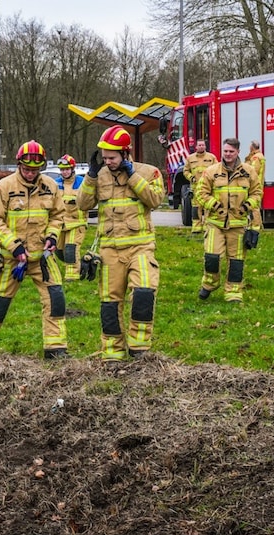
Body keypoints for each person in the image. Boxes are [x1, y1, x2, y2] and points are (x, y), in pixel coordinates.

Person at [0, 140, 68, 361]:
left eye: (35, 169)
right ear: (18, 165)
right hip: (11, 258)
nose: (31, 173)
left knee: (55, 299)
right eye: (26, 169)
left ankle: (56, 349)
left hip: (42, 257)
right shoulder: (4, 187)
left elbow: (58, 216)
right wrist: (14, 246)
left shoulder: (51, 186)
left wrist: (53, 237)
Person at [75, 125, 166, 361]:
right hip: (110, 250)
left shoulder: (149, 172)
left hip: (141, 248)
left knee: (144, 294)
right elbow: (83, 204)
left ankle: (140, 350)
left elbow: (155, 200)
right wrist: (91, 177)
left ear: (125, 153)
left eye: (112, 158)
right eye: (104, 158)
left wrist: (132, 176)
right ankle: (112, 353)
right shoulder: (99, 175)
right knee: (109, 304)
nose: (108, 162)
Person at [193, 137, 264, 303]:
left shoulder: (249, 171)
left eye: (231, 151)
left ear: (238, 152)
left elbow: (257, 193)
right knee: (212, 257)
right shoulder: (211, 171)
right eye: (225, 151)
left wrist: (247, 206)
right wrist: (215, 205)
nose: (228, 154)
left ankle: (233, 292)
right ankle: (210, 283)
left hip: (238, 224)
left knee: (236, 261)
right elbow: (200, 193)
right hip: (215, 223)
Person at [54, 154, 87, 280]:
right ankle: (81, 265)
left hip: (77, 223)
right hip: (61, 224)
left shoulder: (82, 183)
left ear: (72, 169)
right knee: (59, 251)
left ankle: (72, 276)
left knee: (70, 249)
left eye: (67, 169)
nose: (64, 172)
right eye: (62, 169)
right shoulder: (56, 184)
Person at [183, 138, 218, 233]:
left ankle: (208, 227)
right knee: (195, 208)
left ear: (205, 146)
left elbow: (217, 170)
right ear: (196, 147)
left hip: (208, 188)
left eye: (203, 145)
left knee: (208, 207)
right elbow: (185, 171)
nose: (201, 146)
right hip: (195, 189)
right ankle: (196, 228)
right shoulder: (190, 158)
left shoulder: (212, 157)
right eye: (200, 145)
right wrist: (191, 177)